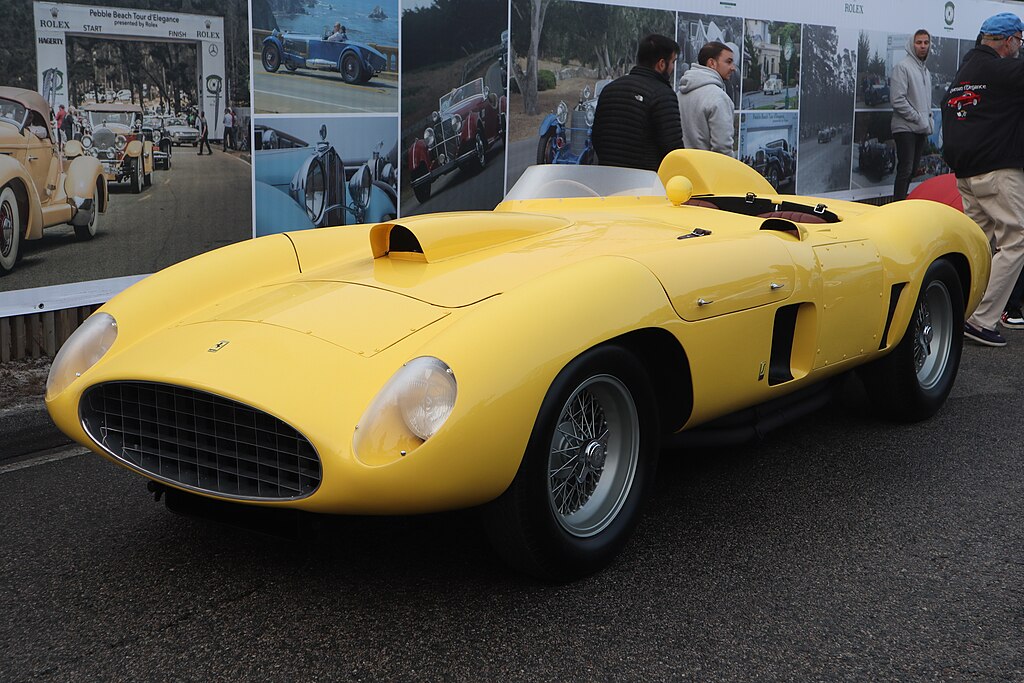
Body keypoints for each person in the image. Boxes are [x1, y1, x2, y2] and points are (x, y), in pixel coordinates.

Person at [941, 12, 1024, 347]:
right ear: (1008, 41)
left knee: (976, 243)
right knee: (1017, 239)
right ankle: (982, 319)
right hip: (998, 171)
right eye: (1019, 41)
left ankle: (960, 310)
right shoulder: (1004, 70)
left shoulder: (966, 71)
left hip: (966, 174)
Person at [590, 33, 684, 171]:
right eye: (673, 62)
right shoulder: (663, 94)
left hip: (607, 180)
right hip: (645, 183)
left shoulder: (609, 89)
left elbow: (597, 136)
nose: (673, 68)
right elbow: (672, 149)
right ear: (661, 64)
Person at [891, 30, 933, 201]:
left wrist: (925, 122)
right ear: (911, 44)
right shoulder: (903, 67)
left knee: (913, 170)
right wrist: (918, 118)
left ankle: (901, 207)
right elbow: (897, 100)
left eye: (926, 42)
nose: (923, 46)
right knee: (905, 170)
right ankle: (896, 209)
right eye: (918, 42)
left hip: (920, 128)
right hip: (905, 128)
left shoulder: (926, 71)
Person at [677, 41, 736, 156]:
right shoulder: (718, 97)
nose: (733, 68)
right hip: (706, 170)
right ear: (711, 63)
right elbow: (722, 149)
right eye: (728, 62)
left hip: (682, 167)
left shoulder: (680, 93)